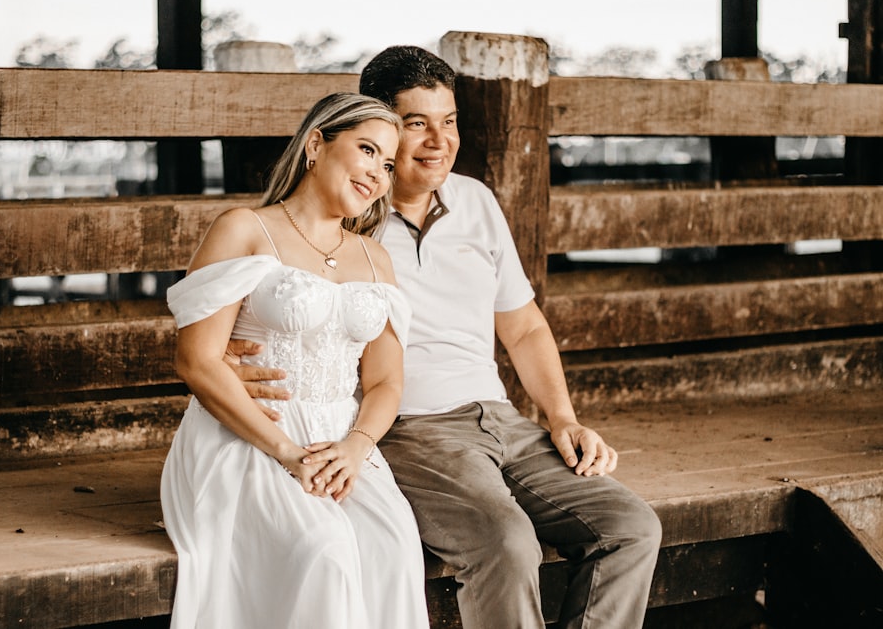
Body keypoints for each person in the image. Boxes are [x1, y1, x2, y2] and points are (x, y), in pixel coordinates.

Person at [231, 46, 664, 629]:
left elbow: (524, 324)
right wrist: (231, 354)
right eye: (416, 124)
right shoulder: (347, 219)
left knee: (631, 526)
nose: (440, 141)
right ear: (378, 128)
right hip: (413, 428)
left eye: (450, 121)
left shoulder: (477, 201)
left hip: (505, 422)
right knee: (509, 545)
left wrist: (562, 417)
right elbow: (269, 303)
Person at [160, 91, 430, 629]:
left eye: (389, 163)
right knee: (324, 550)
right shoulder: (244, 228)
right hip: (250, 437)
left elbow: (385, 383)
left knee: (395, 544)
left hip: (341, 444)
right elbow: (197, 361)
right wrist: (286, 452)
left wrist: (356, 447)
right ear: (315, 144)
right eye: (367, 150)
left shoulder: (375, 257)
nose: (379, 173)